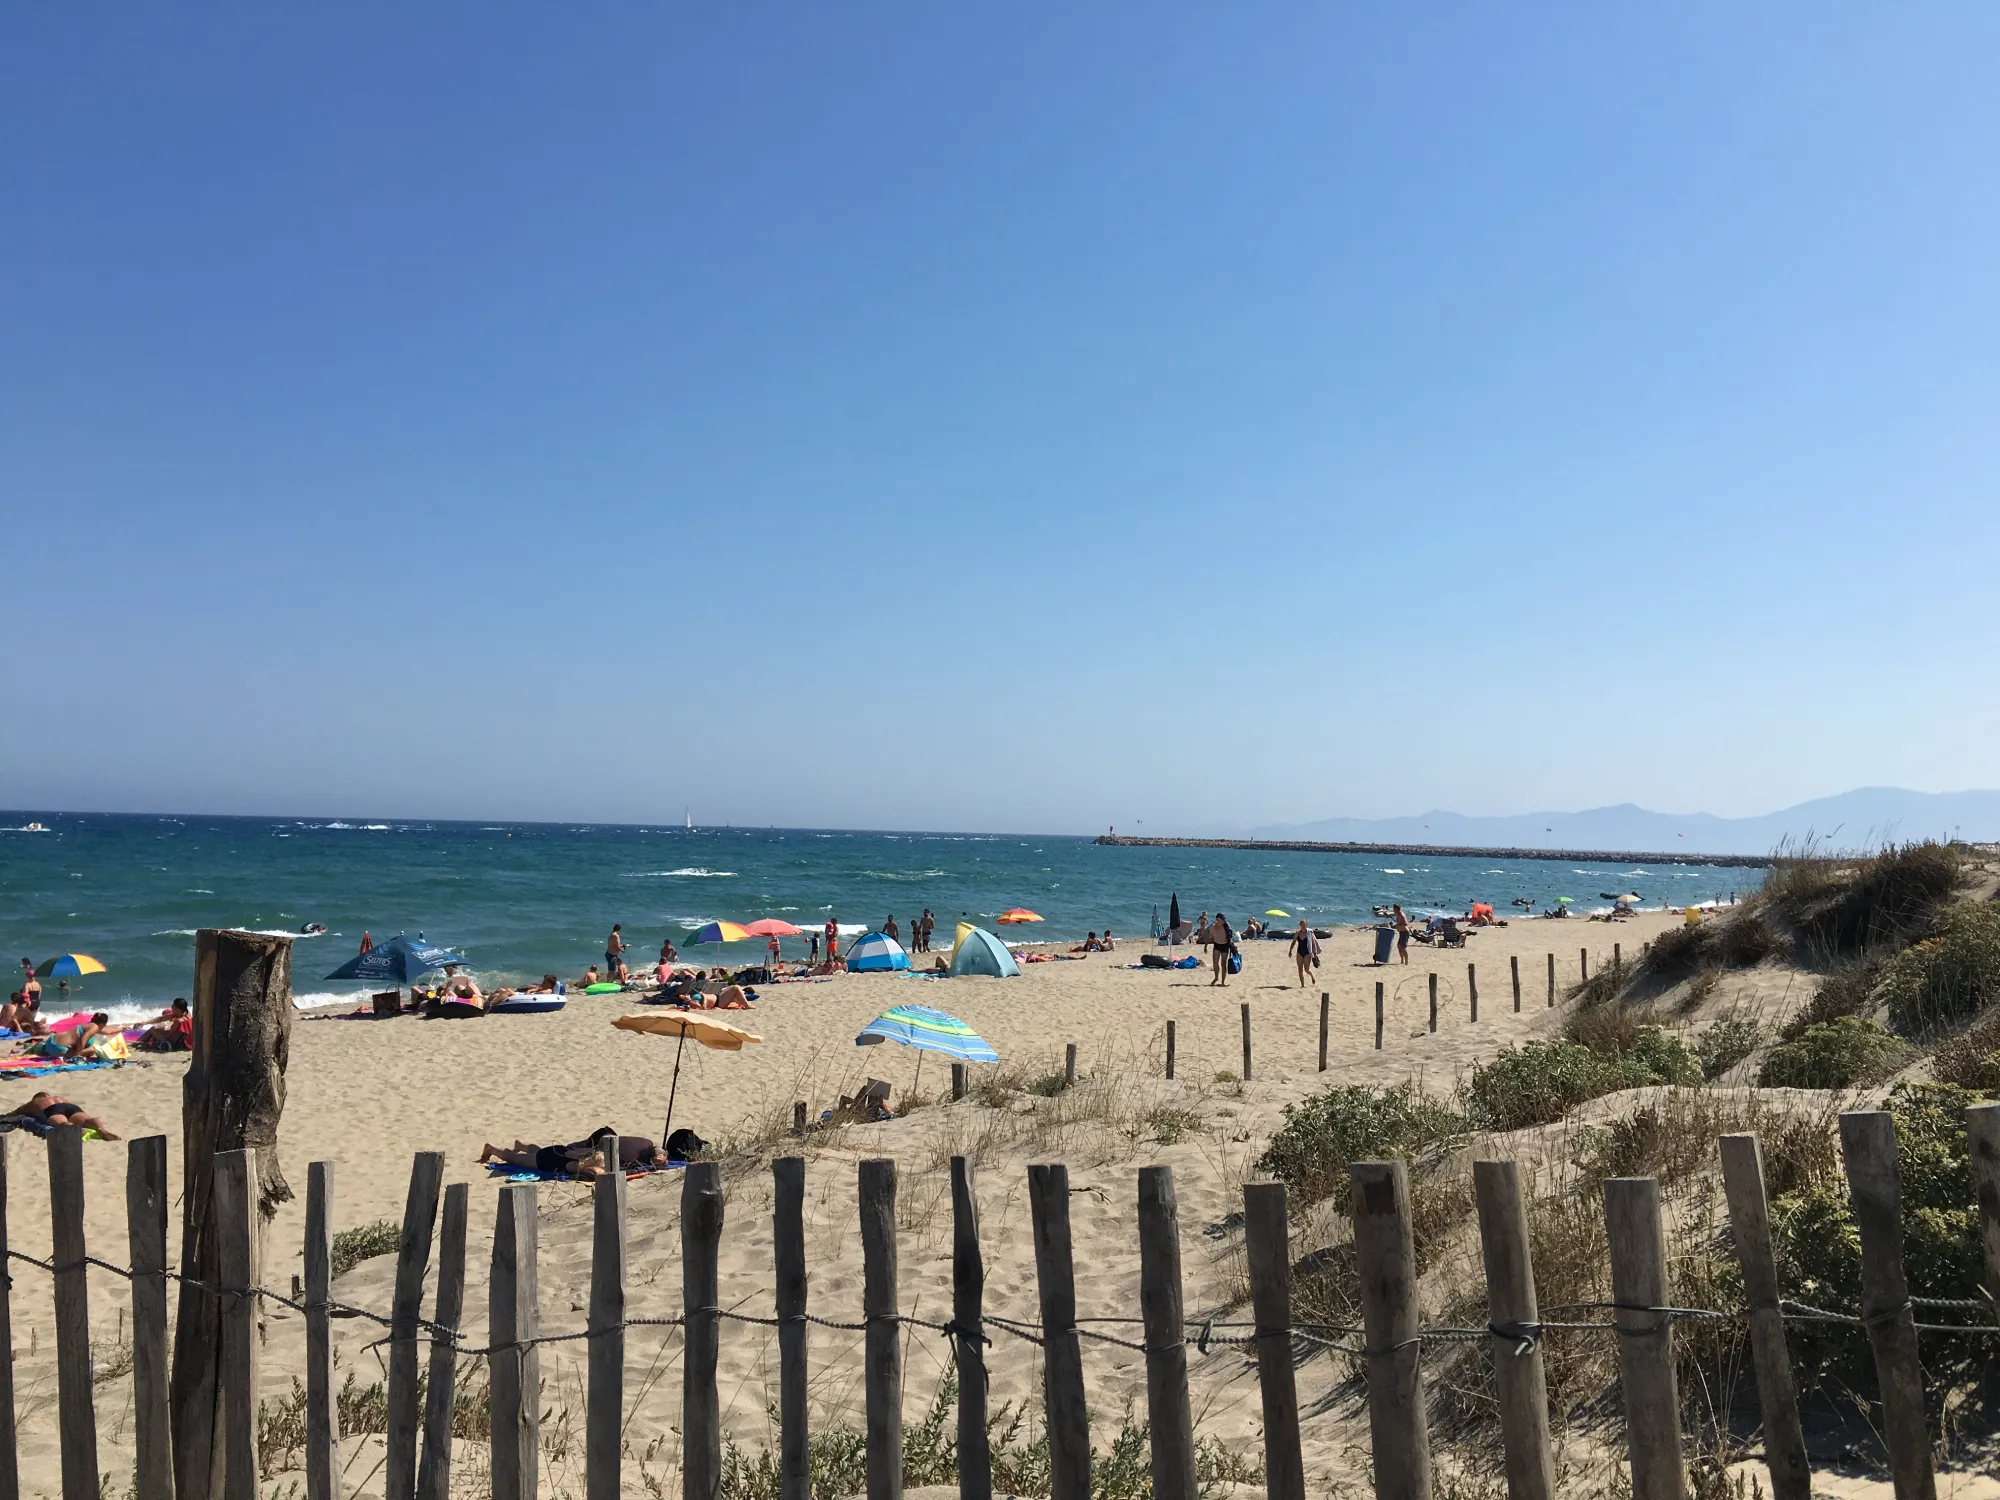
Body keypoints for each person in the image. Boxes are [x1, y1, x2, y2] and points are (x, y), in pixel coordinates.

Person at [5, 1093, 119, 1139]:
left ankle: (78, 1131)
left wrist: (9, 1115)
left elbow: (18, 1112)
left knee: (63, 1123)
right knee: (87, 1119)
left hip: (53, 1110)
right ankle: (101, 1129)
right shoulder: (59, 1098)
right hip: (71, 1107)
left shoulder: (37, 1101)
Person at [477, 1142, 609, 1180]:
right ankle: (491, 1149)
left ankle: (521, 1146)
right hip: (545, 1159)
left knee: (537, 1151)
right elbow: (597, 1173)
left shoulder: (584, 1154)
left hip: (557, 1151)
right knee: (515, 1159)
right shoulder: (578, 1166)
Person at [1290, 919, 1319, 988]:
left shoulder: (1309, 933)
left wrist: (1314, 954)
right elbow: (1293, 942)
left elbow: (1313, 943)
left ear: (1306, 925)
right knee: (1300, 969)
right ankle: (1302, 985)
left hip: (1307, 953)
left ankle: (1312, 976)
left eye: (1304, 924)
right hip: (1299, 952)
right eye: (1301, 924)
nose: (1303, 926)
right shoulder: (1297, 933)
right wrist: (1290, 950)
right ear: (1300, 925)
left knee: (1306, 969)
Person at [1209, 913, 1234, 987]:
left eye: (1223, 919)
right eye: (1221, 919)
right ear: (1217, 919)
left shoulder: (1226, 925)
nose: (1223, 921)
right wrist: (1206, 945)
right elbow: (1210, 936)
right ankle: (1216, 977)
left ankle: (1223, 982)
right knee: (1215, 963)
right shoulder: (1213, 926)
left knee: (1223, 964)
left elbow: (1230, 935)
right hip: (1217, 945)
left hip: (1225, 945)